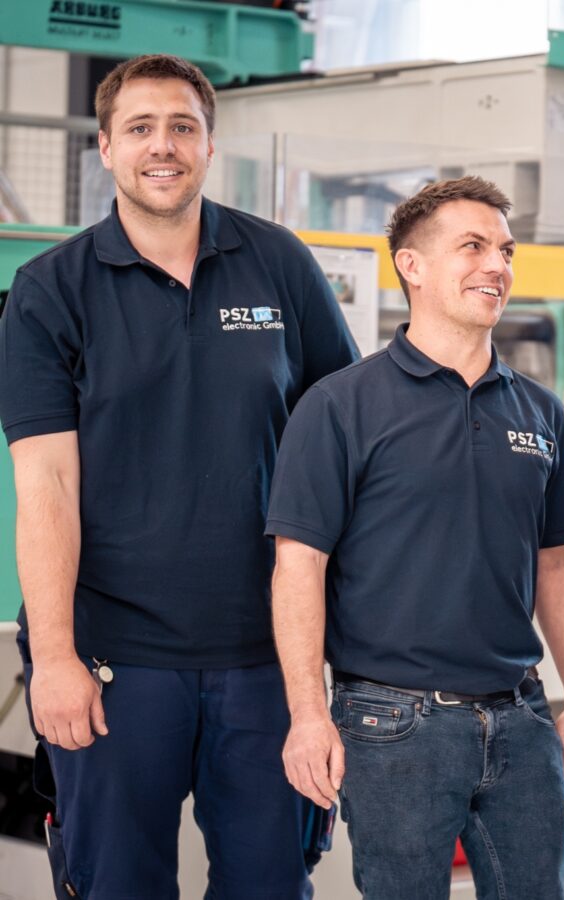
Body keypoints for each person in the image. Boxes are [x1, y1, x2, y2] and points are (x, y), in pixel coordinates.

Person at [0, 54, 359, 898]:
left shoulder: (280, 264)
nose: (162, 146)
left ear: (208, 143)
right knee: (116, 885)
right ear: (105, 147)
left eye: (181, 126)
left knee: (271, 885)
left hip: (268, 657)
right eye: (140, 128)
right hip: (114, 659)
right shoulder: (50, 291)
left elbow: (346, 439)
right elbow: (45, 487)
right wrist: (54, 657)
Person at [266, 176, 564, 900]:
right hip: (392, 725)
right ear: (411, 266)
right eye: (472, 247)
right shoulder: (340, 406)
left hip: (522, 716)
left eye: (505, 250)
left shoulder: (541, 413)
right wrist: (308, 713)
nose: (496, 266)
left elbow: (559, 563)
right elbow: (298, 567)